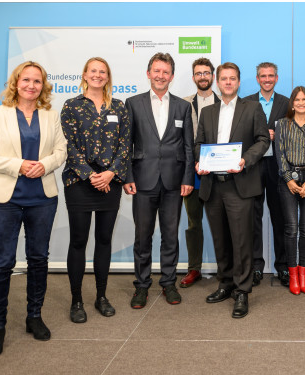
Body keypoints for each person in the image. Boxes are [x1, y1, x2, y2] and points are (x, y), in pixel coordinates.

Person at [0, 61, 67, 358]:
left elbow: (61, 151)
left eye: (37, 81)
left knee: (38, 260)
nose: (31, 85)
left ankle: (34, 317)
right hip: (4, 200)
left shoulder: (51, 116)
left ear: (43, 86)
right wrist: (18, 165)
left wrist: (45, 165)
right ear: (16, 83)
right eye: (25, 80)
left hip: (42, 198)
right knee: (2, 263)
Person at [195, 62, 270, 318]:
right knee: (221, 240)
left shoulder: (253, 108)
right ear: (217, 81)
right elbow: (199, 144)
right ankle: (225, 284)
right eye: (224, 78)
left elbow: (263, 139)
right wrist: (200, 162)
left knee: (242, 241)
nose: (228, 82)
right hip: (213, 186)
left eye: (232, 79)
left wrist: (245, 160)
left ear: (238, 82)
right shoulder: (207, 112)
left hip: (240, 185)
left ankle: (242, 291)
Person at [60, 57, 130, 323]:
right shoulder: (71, 106)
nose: (98, 75)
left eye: (103, 72)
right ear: (85, 75)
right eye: (93, 71)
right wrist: (90, 175)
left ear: (108, 77)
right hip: (79, 183)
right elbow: (67, 145)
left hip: (110, 183)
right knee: (78, 241)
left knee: (104, 240)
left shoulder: (119, 107)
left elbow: (125, 145)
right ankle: (76, 300)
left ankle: (101, 296)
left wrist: (111, 173)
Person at [123, 53, 194, 308]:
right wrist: (127, 176)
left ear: (172, 77)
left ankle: (168, 283)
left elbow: (188, 147)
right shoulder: (132, 103)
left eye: (165, 72)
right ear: (148, 73)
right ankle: (141, 286)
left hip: (174, 182)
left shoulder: (183, 107)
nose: (161, 76)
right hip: (142, 180)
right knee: (143, 236)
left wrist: (188, 178)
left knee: (170, 235)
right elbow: (126, 144)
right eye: (157, 71)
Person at [244, 62, 290, 287]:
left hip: (279, 166)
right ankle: (256, 267)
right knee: (253, 217)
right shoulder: (247, 103)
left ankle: (282, 267)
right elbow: (242, 135)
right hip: (254, 165)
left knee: (279, 217)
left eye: (271, 76)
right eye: (263, 76)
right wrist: (262, 135)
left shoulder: (287, 103)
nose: (267, 79)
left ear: (277, 78)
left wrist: (278, 135)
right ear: (257, 78)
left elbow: (294, 134)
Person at [274, 86, 305, 295]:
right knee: (291, 229)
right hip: (288, 180)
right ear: (292, 103)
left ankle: (303, 274)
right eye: (297, 99)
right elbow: (280, 154)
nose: (301, 103)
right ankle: (292, 274)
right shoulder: (283, 125)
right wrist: (288, 180)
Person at [179, 58, 220, 289]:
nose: (202, 76)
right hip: (192, 172)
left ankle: (226, 269)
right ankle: (194, 268)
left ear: (212, 76)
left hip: (218, 173)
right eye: (198, 73)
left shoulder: (224, 102)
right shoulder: (184, 104)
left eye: (206, 73)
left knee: (220, 222)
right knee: (194, 222)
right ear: (193, 77)